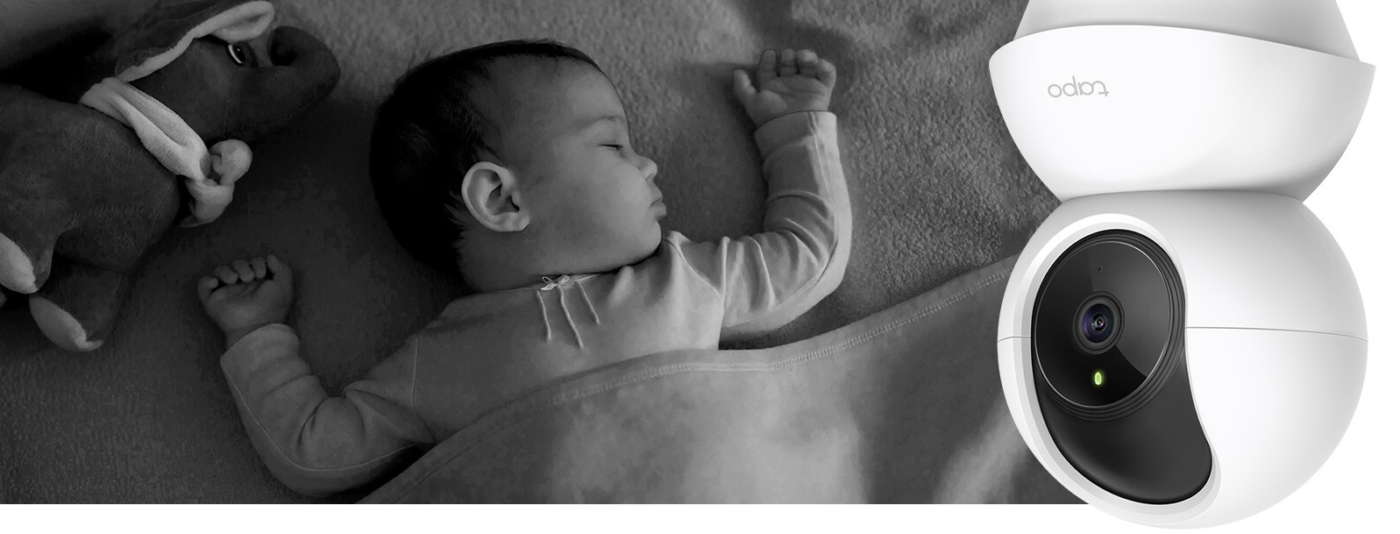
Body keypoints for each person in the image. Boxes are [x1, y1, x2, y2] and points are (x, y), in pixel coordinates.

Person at [197, 40, 850, 495]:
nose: (649, 164)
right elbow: (315, 454)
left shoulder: (681, 280)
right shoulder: (437, 363)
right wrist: (257, 335)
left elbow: (807, 258)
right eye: (614, 143)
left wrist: (794, 126)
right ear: (502, 199)